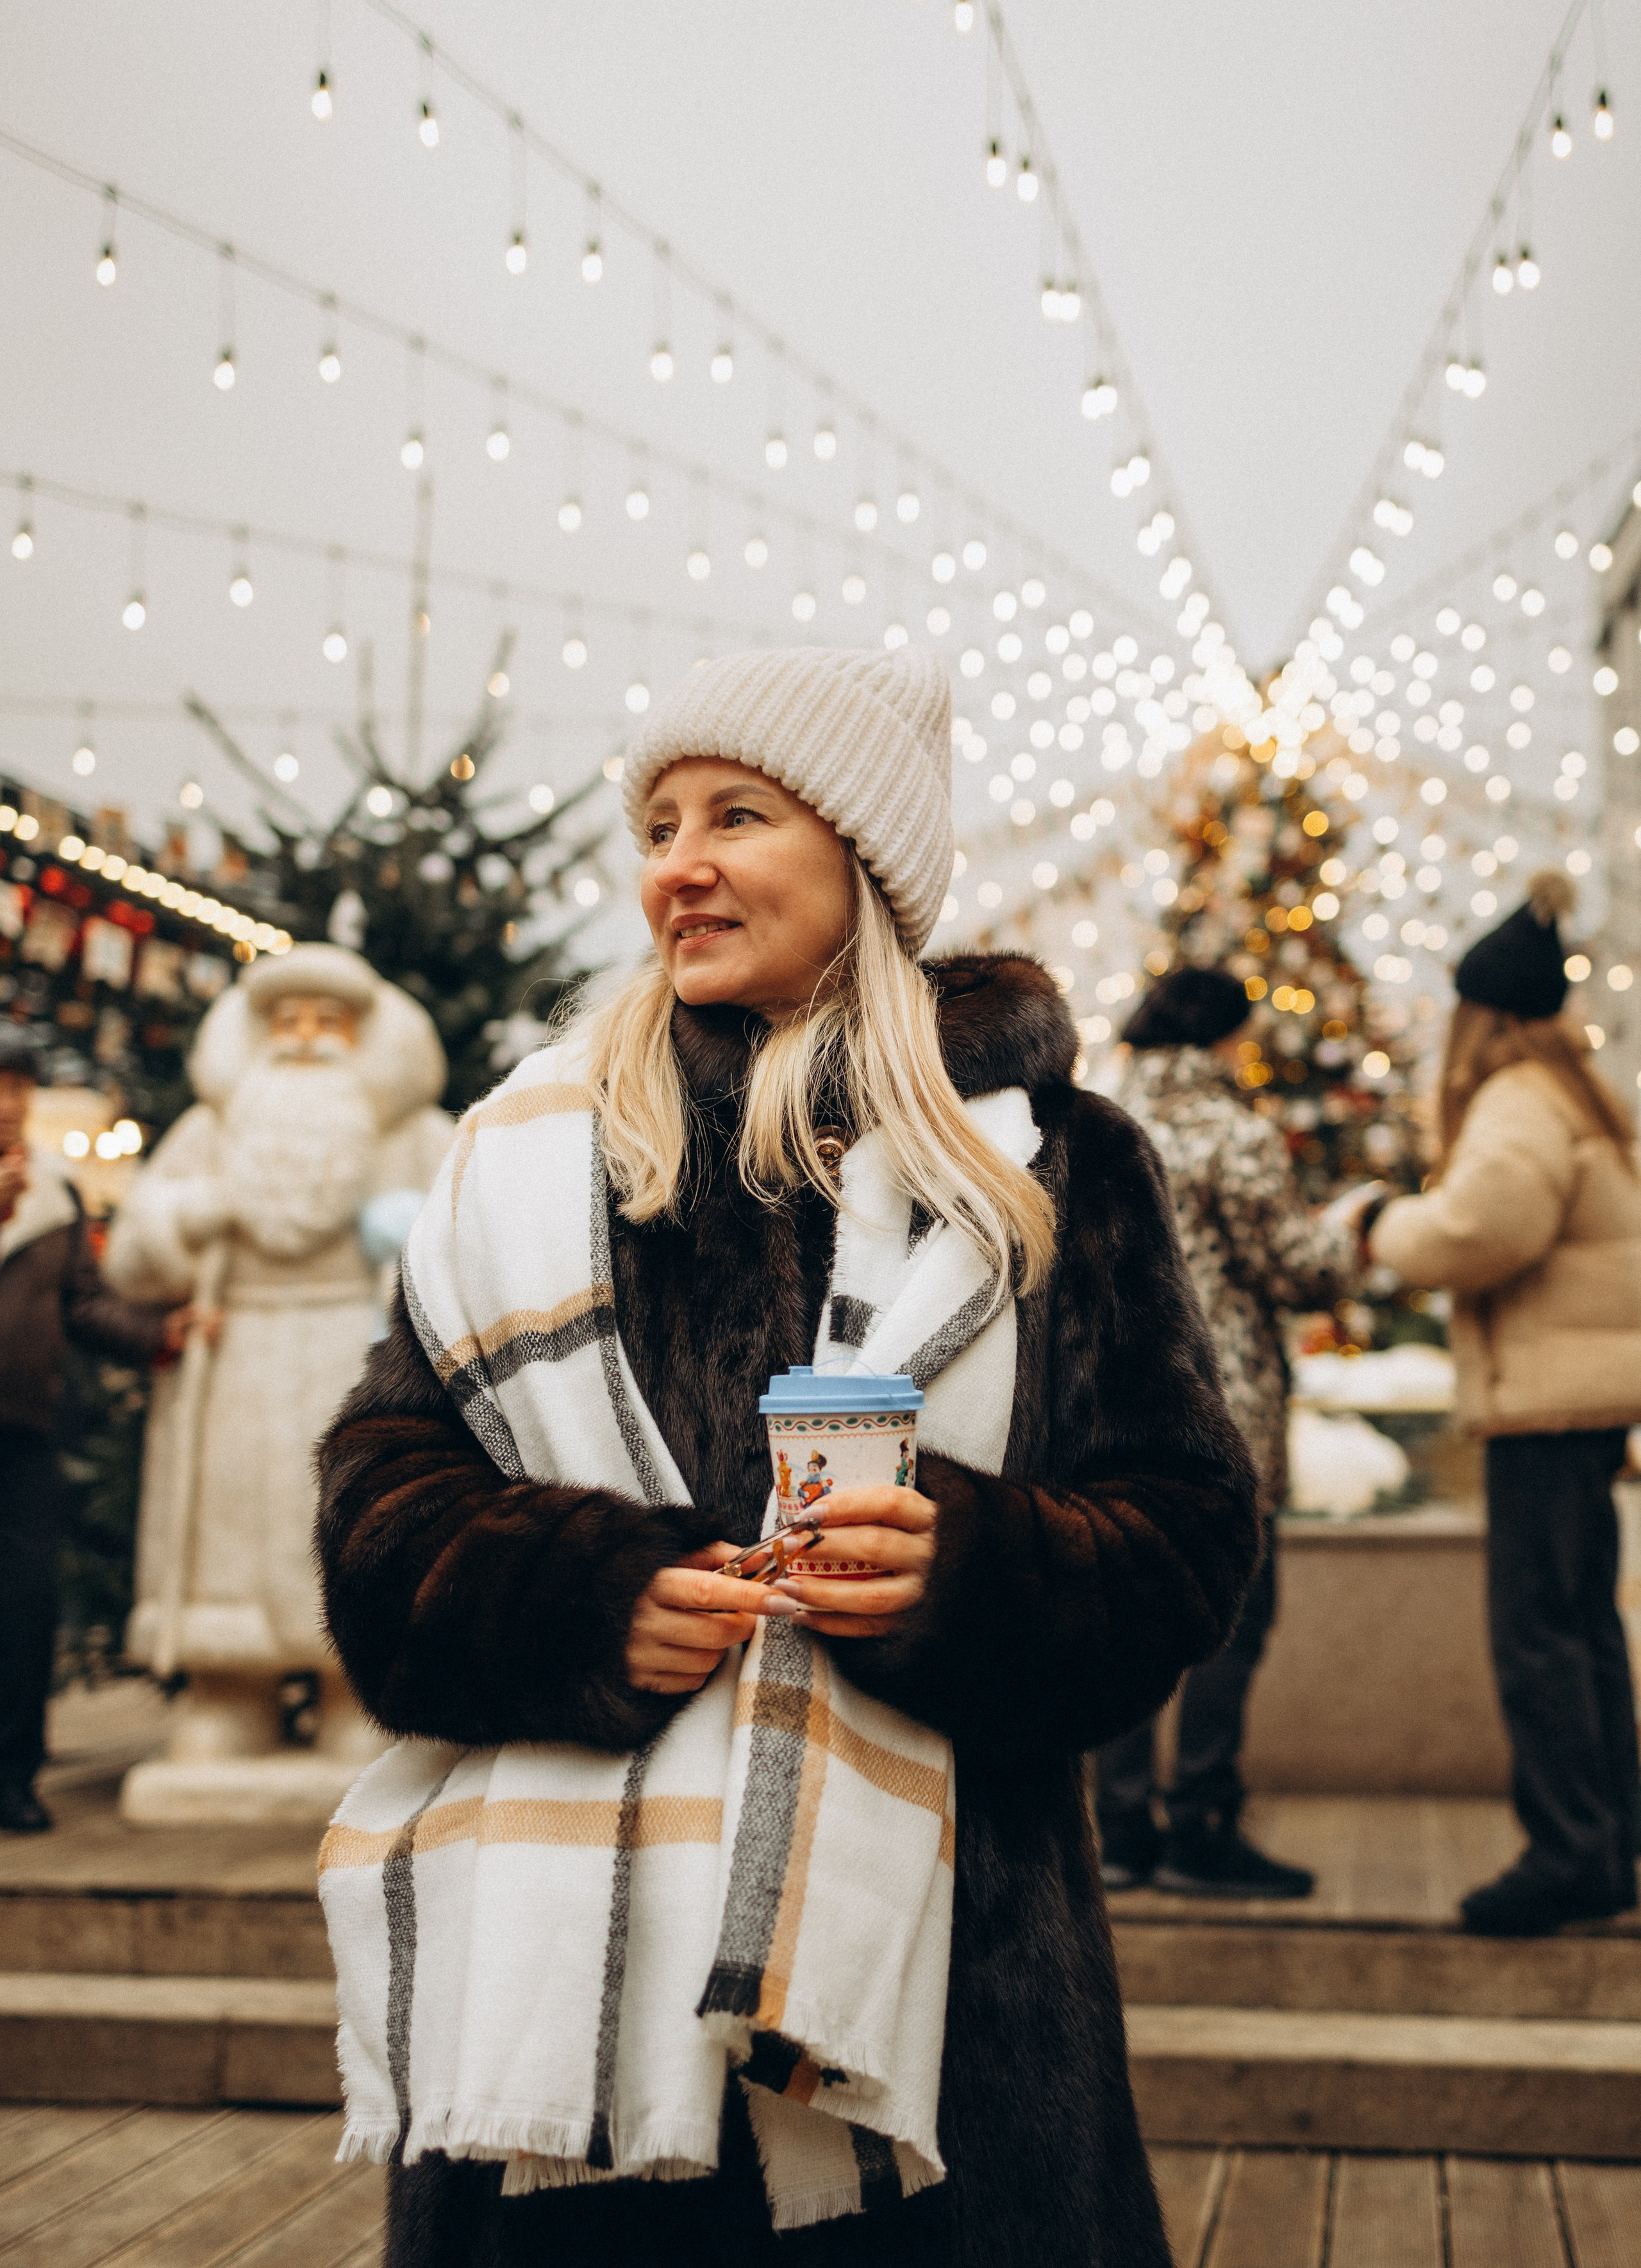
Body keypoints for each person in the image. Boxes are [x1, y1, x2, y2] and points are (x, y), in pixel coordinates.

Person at [314, 645, 1258, 2268]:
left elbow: (1181, 1534)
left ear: (864, 854)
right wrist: (583, 1598)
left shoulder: (1053, 1163)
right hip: (575, 2087)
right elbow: (381, 1501)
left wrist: (964, 1569)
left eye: (734, 813)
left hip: (950, 2033)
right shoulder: (537, 1160)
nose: (675, 862)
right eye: (659, 819)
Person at [103, 946, 451, 1818]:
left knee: (341, 1513)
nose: (303, 1042)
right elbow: (132, 1256)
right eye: (284, 1022)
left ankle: (351, 1689)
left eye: (326, 1023)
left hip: (355, 1350)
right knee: (233, 1526)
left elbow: (467, 1225)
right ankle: (229, 1694)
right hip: (238, 1355)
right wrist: (191, 1213)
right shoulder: (212, 1131)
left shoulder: (410, 1131)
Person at [1368, 870, 1641, 1937]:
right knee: (1582, 1627)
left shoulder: (1518, 1100)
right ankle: (1608, 1839)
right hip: (1585, 1398)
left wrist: (1383, 1227)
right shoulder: (1581, 1089)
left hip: (1548, 1401)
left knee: (1538, 1634)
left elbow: (1483, 1228)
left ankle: (1569, 1851)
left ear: (1483, 1013)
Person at [1096, 965, 1362, 1897]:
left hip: (1112, 1417)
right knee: (1233, 1619)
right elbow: (1295, 1268)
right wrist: (1351, 1228)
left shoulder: (1093, 1127)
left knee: (1125, 1617)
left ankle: (1118, 1826)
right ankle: (1200, 1821)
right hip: (1224, 1419)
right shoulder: (1233, 1136)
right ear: (1221, 1040)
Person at [0, 1036, 185, 1833]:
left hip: (24, 1430)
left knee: (26, 1604)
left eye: (19, 1087)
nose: (9, 1102)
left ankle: (14, 1775)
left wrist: (160, 1334)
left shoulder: (53, 1191)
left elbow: (82, 1303)